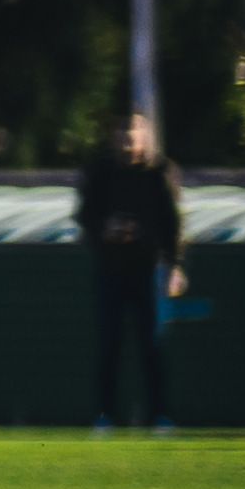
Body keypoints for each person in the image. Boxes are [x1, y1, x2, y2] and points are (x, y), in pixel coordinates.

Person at [75, 111, 187, 434]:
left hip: (147, 270)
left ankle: (160, 415)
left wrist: (175, 265)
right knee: (110, 343)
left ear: (144, 135)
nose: (128, 139)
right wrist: (106, 229)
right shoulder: (100, 173)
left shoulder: (158, 173)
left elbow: (172, 224)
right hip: (111, 269)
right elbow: (85, 218)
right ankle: (105, 415)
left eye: (134, 131)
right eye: (122, 131)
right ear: (113, 136)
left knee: (152, 344)